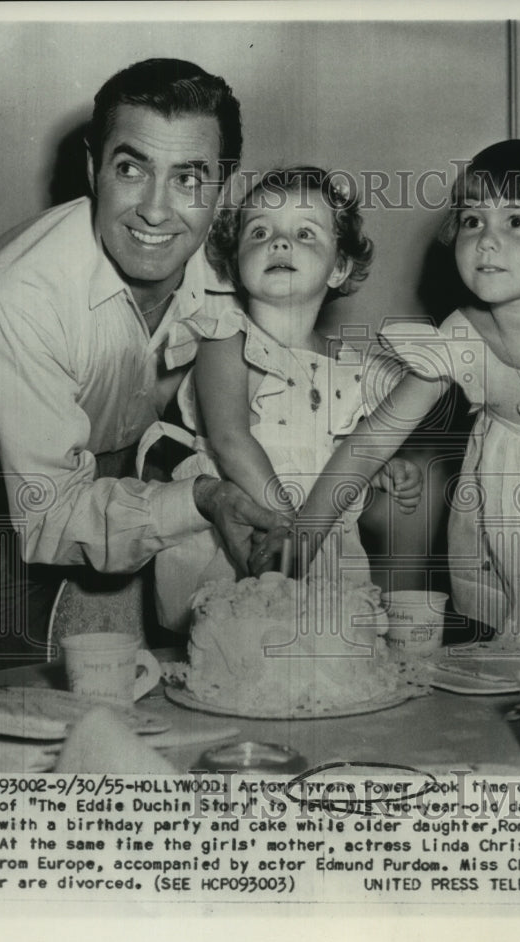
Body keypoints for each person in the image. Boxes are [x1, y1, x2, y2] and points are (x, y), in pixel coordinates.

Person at [0, 59, 289, 683]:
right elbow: (47, 518)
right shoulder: (14, 296)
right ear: (94, 169)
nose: (155, 211)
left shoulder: (244, 265)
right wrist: (201, 499)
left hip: (123, 473)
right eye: (132, 169)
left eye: (189, 178)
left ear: (223, 188)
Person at [257, 141, 520, 654]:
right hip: (507, 530)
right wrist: (302, 538)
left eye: (517, 221)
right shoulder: (461, 337)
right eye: (473, 220)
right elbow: (371, 442)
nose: (486, 241)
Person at [139, 166, 422, 630]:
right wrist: (289, 526)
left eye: (305, 233)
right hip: (245, 531)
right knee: (242, 650)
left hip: (319, 539)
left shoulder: (349, 367)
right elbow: (231, 440)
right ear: (234, 263)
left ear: (340, 268)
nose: (280, 243)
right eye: (260, 231)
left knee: (324, 655)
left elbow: (347, 453)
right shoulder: (224, 340)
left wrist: (382, 470)